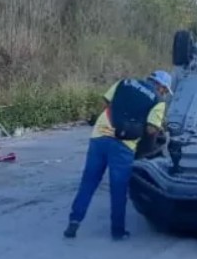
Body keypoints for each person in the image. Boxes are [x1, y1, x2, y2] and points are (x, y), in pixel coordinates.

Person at [63, 70, 173, 241]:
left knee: (88, 183)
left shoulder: (124, 82)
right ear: (160, 86)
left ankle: (74, 223)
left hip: (99, 137)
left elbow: (106, 101)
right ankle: (118, 231)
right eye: (165, 90)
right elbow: (152, 129)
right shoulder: (158, 101)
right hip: (124, 145)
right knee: (118, 189)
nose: (164, 93)